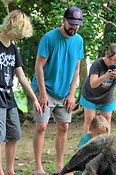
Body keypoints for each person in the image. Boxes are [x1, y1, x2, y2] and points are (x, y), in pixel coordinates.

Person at [0, 10, 42, 175]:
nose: (21, 37)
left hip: (9, 96)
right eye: (20, 33)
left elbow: (21, 77)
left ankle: (10, 171)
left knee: (14, 134)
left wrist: (35, 99)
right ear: (13, 27)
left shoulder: (13, 48)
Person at [31, 6, 84, 175]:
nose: (73, 27)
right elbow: (39, 67)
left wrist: (71, 94)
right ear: (64, 20)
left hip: (64, 92)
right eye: (71, 23)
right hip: (44, 88)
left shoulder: (79, 41)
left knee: (64, 128)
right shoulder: (49, 38)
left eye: (77, 24)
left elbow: (76, 69)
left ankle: (61, 167)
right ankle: (38, 168)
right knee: (41, 126)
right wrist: (43, 94)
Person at [80, 43, 116, 134]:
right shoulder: (97, 64)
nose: (112, 62)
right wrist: (106, 76)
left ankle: (106, 145)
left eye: (115, 60)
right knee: (90, 120)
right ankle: (86, 145)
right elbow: (93, 84)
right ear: (105, 54)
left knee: (106, 120)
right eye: (110, 59)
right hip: (90, 96)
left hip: (106, 98)